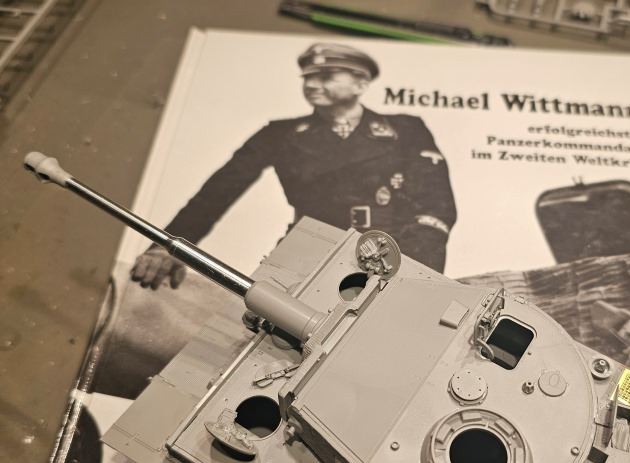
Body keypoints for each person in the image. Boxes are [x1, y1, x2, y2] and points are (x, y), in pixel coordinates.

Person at [132, 42, 457, 287]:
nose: (312, 84)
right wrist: (168, 247)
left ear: (361, 84)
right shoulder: (279, 134)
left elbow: (435, 204)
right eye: (308, 77)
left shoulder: (405, 128)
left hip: (389, 249)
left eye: (326, 76)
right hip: (307, 251)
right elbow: (217, 192)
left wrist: (413, 272)